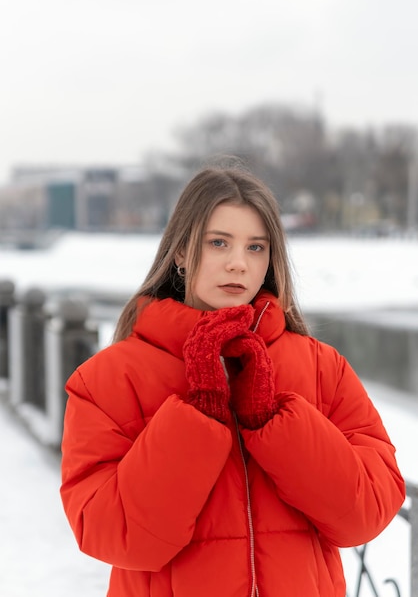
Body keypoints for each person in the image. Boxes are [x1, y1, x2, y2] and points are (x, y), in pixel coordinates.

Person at [60, 159, 405, 597]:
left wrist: (274, 421)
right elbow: (115, 533)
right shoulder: (107, 380)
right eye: (218, 243)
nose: (238, 264)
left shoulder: (323, 368)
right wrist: (197, 416)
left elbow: (366, 514)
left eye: (256, 247)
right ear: (182, 251)